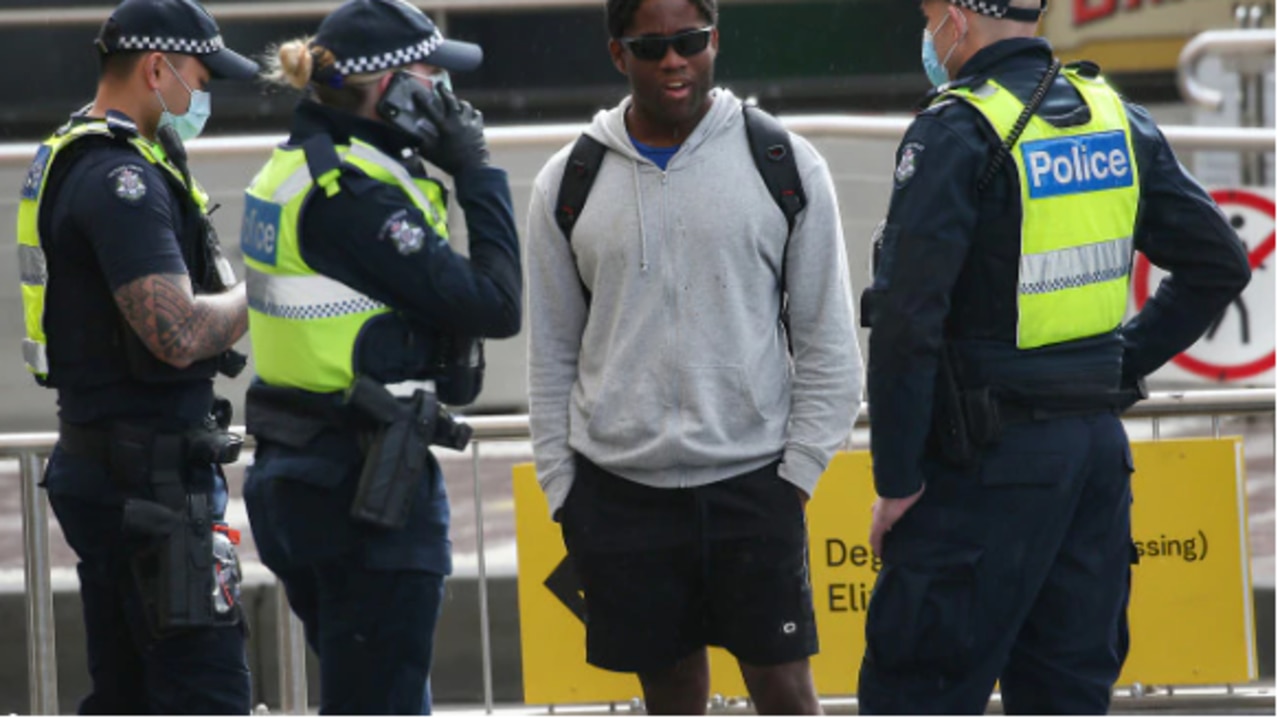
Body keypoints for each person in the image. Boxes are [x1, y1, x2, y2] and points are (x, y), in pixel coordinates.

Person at [857, 0, 1253, 713]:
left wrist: (897, 480)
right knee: (1066, 697)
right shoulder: (1115, 117)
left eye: (927, 17)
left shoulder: (958, 130)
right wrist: (1118, 366)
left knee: (918, 692)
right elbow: (1219, 262)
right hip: (1094, 464)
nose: (929, 34)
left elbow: (906, 324)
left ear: (956, 18)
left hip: (981, 465)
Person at [526, 0, 862, 712]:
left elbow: (829, 346)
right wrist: (566, 490)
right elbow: (552, 352)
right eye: (652, 48)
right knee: (671, 695)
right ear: (618, 54)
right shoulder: (567, 181)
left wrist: (794, 479)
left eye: (690, 41)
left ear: (715, 39)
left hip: (755, 484)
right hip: (620, 496)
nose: (675, 61)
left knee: (784, 690)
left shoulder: (786, 164)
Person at [238, 0, 521, 712]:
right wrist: (477, 170)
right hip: (359, 493)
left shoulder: (303, 167)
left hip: (305, 473)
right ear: (391, 85)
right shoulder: (353, 196)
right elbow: (496, 302)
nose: (447, 93)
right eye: (432, 73)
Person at [14, 0, 259, 712]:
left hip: (115, 468)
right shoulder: (119, 181)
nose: (204, 97)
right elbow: (176, 331)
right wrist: (267, 293)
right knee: (204, 693)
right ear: (158, 69)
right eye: (202, 79)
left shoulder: (88, 151)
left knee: (126, 695)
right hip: (147, 486)